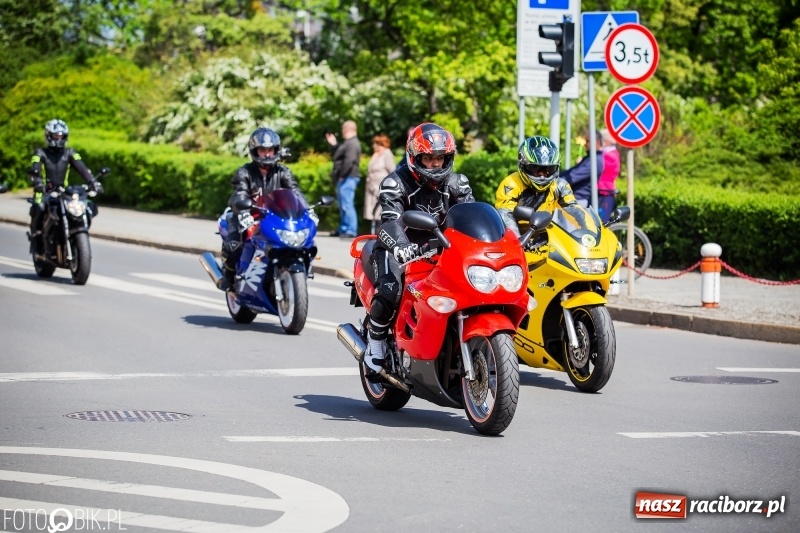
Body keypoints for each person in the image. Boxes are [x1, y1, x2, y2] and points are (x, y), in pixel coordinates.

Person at [364, 122, 474, 372]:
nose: (436, 164)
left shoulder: (458, 184)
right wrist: (401, 246)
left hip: (441, 249)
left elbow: (471, 217)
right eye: (428, 158)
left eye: (441, 158)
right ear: (415, 157)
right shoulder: (395, 183)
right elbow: (390, 221)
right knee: (390, 290)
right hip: (400, 248)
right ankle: (376, 340)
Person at [220, 127, 312, 290]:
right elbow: (239, 194)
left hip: (272, 216)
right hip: (248, 214)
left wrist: (307, 210)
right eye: (263, 150)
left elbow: (295, 192)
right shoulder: (244, 172)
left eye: (270, 150)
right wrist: (243, 212)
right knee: (234, 245)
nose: (267, 154)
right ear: (255, 151)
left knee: (302, 240)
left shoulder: (283, 172)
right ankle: (228, 276)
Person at [28, 119, 103, 253]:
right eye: (56, 135)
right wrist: (37, 183)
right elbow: (35, 170)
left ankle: (75, 235)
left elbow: (83, 169)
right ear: (49, 136)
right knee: (39, 206)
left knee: (86, 206)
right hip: (45, 192)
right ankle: (37, 241)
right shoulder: (40, 153)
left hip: (63, 193)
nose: (59, 138)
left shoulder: (70, 153)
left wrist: (93, 182)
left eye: (61, 136)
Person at [495, 135, 578, 237]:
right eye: (536, 169)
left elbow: (574, 210)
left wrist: (591, 232)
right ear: (523, 165)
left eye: (548, 170)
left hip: (545, 238)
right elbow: (505, 215)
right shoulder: (511, 183)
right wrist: (517, 241)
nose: (542, 175)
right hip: (517, 240)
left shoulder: (560, 186)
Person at [326, 120, 361, 238]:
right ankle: (343, 229)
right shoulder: (348, 143)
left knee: (347, 204)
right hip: (346, 178)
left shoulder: (352, 143)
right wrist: (334, 145)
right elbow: (340, 156)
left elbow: (349, 161)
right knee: (343, 205)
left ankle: (351, 230)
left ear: (347, 129)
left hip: (348, 177)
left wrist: (342, 175)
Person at [560, 130, 604, 208]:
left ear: (596, 142)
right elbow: (572, 172)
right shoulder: (590, 158)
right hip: (573, 199)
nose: (585, 144)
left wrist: (554, 181)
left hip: (577, 201)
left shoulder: (595, 161)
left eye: (587, 141)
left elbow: (573, 176)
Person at [364, 134, 396, 234]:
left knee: (380, 212)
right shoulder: (375, 154)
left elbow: (392, 170)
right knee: (373, 213)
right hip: (371, 187)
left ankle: (380, 233)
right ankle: (373, 233)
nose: (374, 146)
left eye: (376, 144)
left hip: (381, 187)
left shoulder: (387, 154)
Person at [597, 128, 621, 222]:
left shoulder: (609, 155)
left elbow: (598, 168)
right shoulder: (608, 153)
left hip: (605, 191)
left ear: (606, 141)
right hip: (602, 190)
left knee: (602, 221)